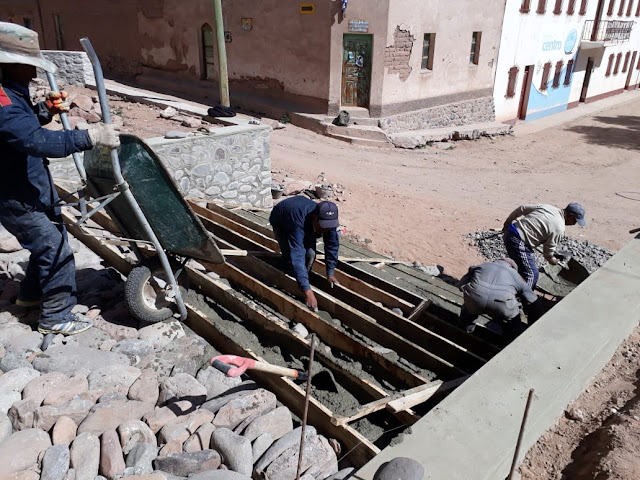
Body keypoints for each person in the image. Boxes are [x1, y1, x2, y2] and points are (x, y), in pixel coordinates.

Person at [0, 22, 120, 335]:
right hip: (15, 195)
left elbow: (19, 129)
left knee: (50, 241)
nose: (33, 74)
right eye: (28, 66)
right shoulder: (1, 100)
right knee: (55, 250)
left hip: (28, 184)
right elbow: (35, 141)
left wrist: (44, 110)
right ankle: (56, 316)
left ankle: (30, 296)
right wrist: (88, 137)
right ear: (9, 63)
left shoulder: (10, 90)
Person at [269, 196, 340, 311]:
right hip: (282, 221)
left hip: (304, 220)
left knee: (311, 254)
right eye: (323, 227)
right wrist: (308, 292)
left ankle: (302, 281)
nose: (326, 231)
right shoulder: (297, 222)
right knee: (290, 255)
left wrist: (330, 272)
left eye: (328, 227)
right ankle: (289, 278)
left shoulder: (328, 222)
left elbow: (332, 245)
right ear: (315, 218)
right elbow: (297, 255)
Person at [502, 202, 586, 288]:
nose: (574, 223)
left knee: (520, 266)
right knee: (532, 275)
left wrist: (508, 222)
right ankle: (522, 298)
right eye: (575, 220)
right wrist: (552, 260)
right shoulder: (559, 228)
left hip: (511, 231)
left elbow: (522, 208)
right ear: (570, 215)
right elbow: (547, 253)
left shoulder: (548, 207)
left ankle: (509, 285)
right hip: (517, 241)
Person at [456, 258, 544, 337]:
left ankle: (464, 334)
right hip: (502, 306)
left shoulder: (482, 266)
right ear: (512, 267)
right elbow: (532, 301)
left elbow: (460, 285)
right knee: (514, 323)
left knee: (467, 312)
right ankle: (509, 342)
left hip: (475, 300)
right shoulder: (515, 275)